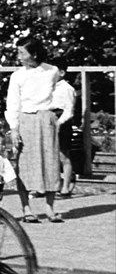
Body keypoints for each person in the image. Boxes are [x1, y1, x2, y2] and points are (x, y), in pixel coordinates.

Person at [6, 37, 62, 223]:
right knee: (25, 164)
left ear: (34, 54)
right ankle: (26, 208)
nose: (19, 56)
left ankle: (49, 207)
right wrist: (14, 129)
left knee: (51, 161)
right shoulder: (17, 76)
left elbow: (55, 92)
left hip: (46, 119)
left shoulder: (51, 71)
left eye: (22, 52)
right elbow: (13, 103)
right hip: (25, 119)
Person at [50, 57, 78, 198]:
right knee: (51, 156)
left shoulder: (67, 89)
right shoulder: (47, 87)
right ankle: (54, 185)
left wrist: (59, 123)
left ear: (61, 72)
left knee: (63, 155)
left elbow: (69, 110)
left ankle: (66, 186)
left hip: (61, 122)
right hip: (49, 120)